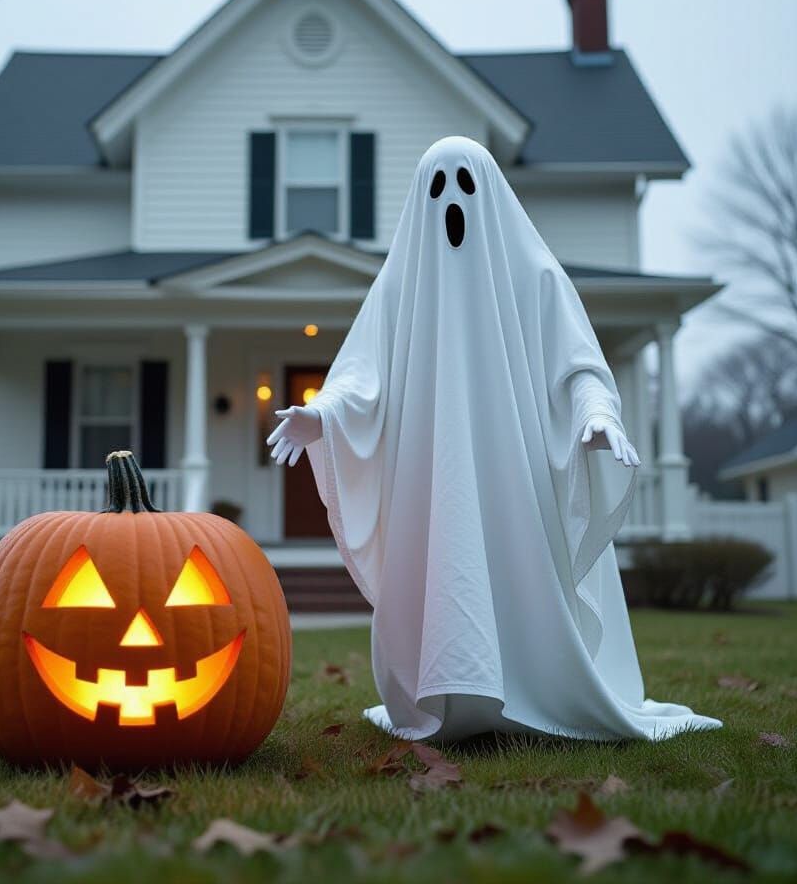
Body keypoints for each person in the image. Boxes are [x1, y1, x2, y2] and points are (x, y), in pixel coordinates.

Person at [267, 136, 721, 743]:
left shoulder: (534, 277)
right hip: (433, 478)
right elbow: (359, 376)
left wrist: (596, 413)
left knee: (519, 568)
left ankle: (531, 684)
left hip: (519, 476)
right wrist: (323, 414)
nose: (452, 203)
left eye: (465, 185)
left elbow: (578, 364)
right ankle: (453, 693)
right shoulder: (400, 286)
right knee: (446, 565)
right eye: (437, 187)